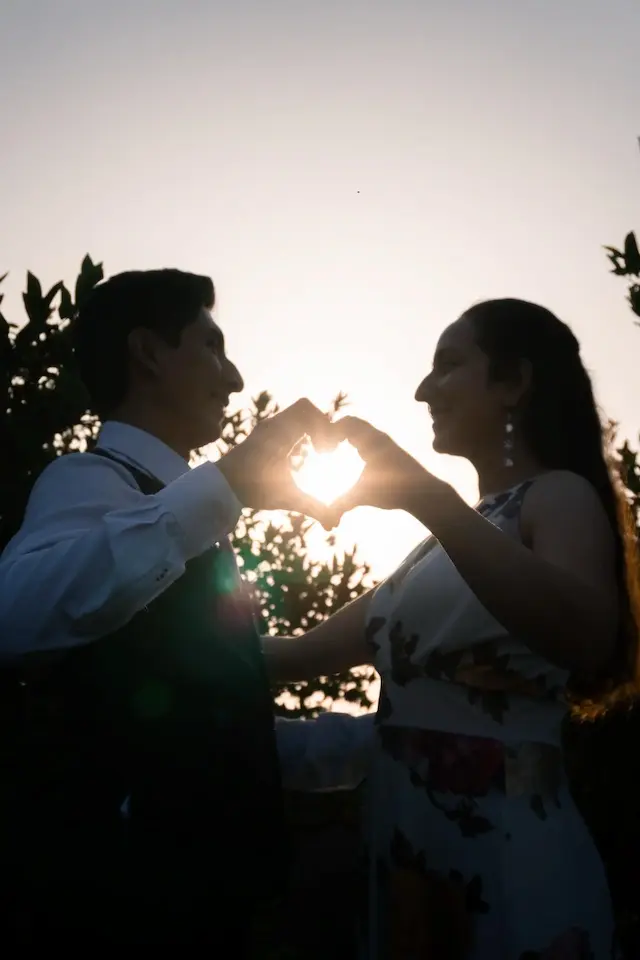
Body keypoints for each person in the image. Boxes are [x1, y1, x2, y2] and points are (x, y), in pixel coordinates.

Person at [264, 299, 639, 959]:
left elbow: (586, 635)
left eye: (448, 365)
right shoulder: (439, 549)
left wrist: (423, 494)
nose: (421, 389)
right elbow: (292, 654)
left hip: (510, 861)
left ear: (514, 383)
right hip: (410, 866)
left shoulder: (556, 497)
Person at [0, 268, 354, 948]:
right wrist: (226, 483)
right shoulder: (86, 480)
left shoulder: (191, 517)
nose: (235, 378)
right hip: (120, 906)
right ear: (150, 353)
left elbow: (213, 723)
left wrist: (375, 734)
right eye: (213, 348)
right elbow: (16, 615)